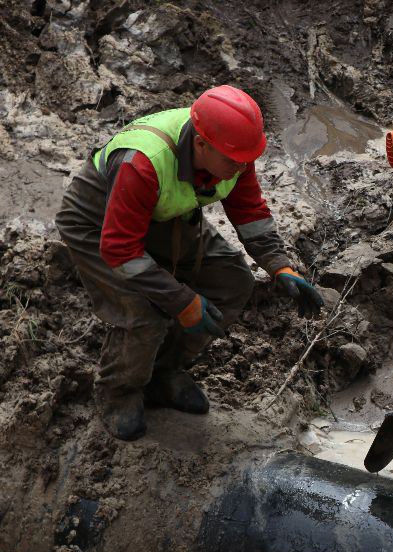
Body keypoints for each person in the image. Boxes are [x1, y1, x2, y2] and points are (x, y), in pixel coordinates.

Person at [56, 85, 324, 441]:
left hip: (160, 214)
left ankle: (164, 372)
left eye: (247, 159)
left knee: (232, 280)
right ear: (200, 144)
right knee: (143, 313)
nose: (242, 167)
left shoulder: (233, 150)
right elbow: (121, 250)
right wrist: (183, 301)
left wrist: (280, 265)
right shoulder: (143, 161)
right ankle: (119, 393)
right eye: (234, 161)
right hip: (97, 221)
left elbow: (249, 212)